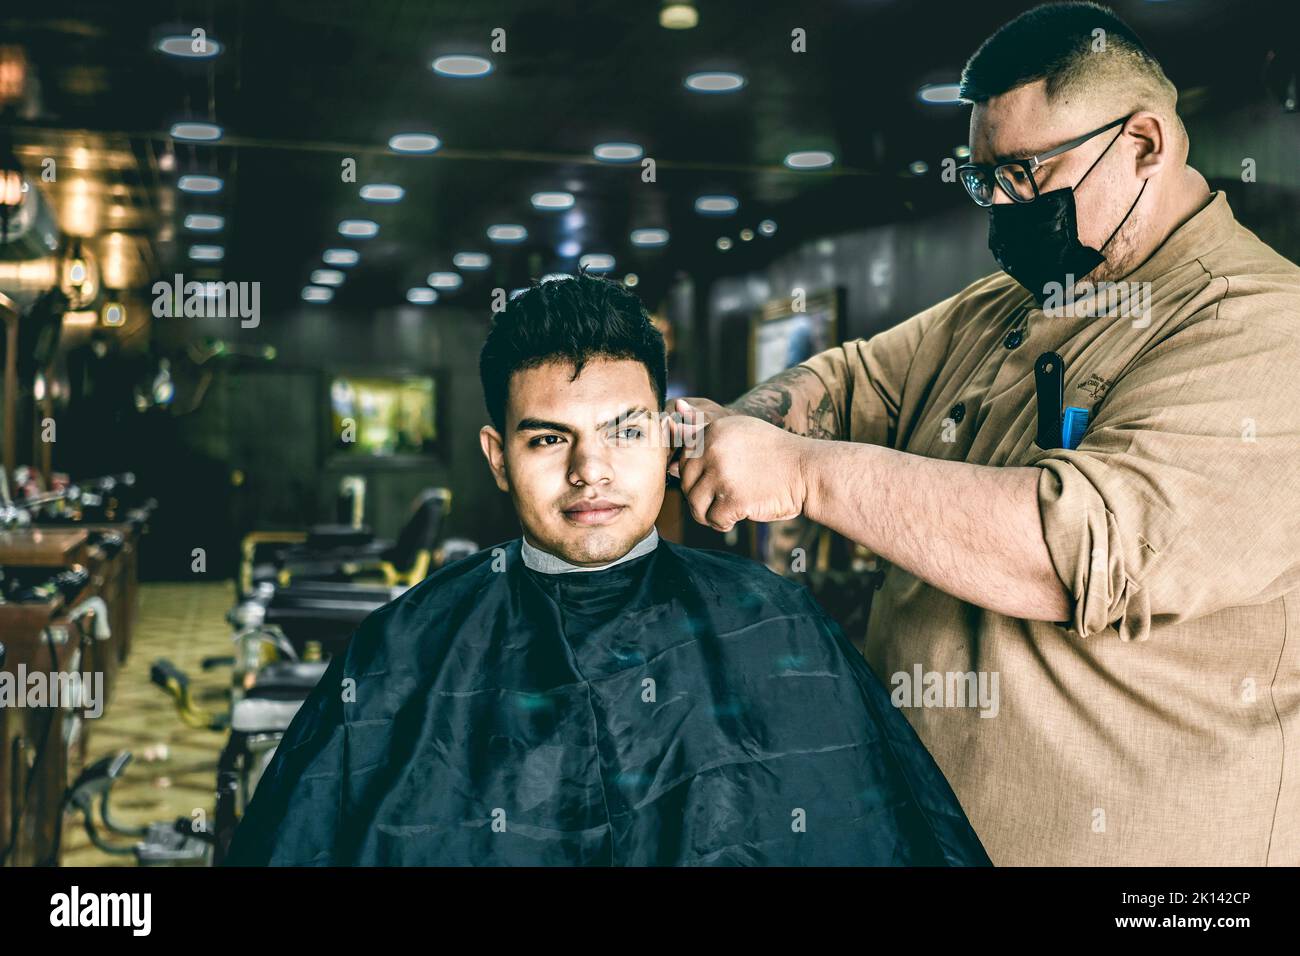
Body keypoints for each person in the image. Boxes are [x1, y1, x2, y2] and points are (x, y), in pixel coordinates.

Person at [668, 1, 1300, 866]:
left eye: (1027, 173)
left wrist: (805, 475)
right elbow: (847, 381)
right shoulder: (1014, 304)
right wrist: (743, 426)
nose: (1002, 205)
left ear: (1147, 143)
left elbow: (1072, 549)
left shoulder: (1265, 328)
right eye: (984, 179)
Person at [223, 271, 990, 866]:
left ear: (668, 436)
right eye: (549, 440)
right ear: (498, 457)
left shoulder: (778, 625)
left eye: (624, 432)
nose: (591, 471)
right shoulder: (403, 648)